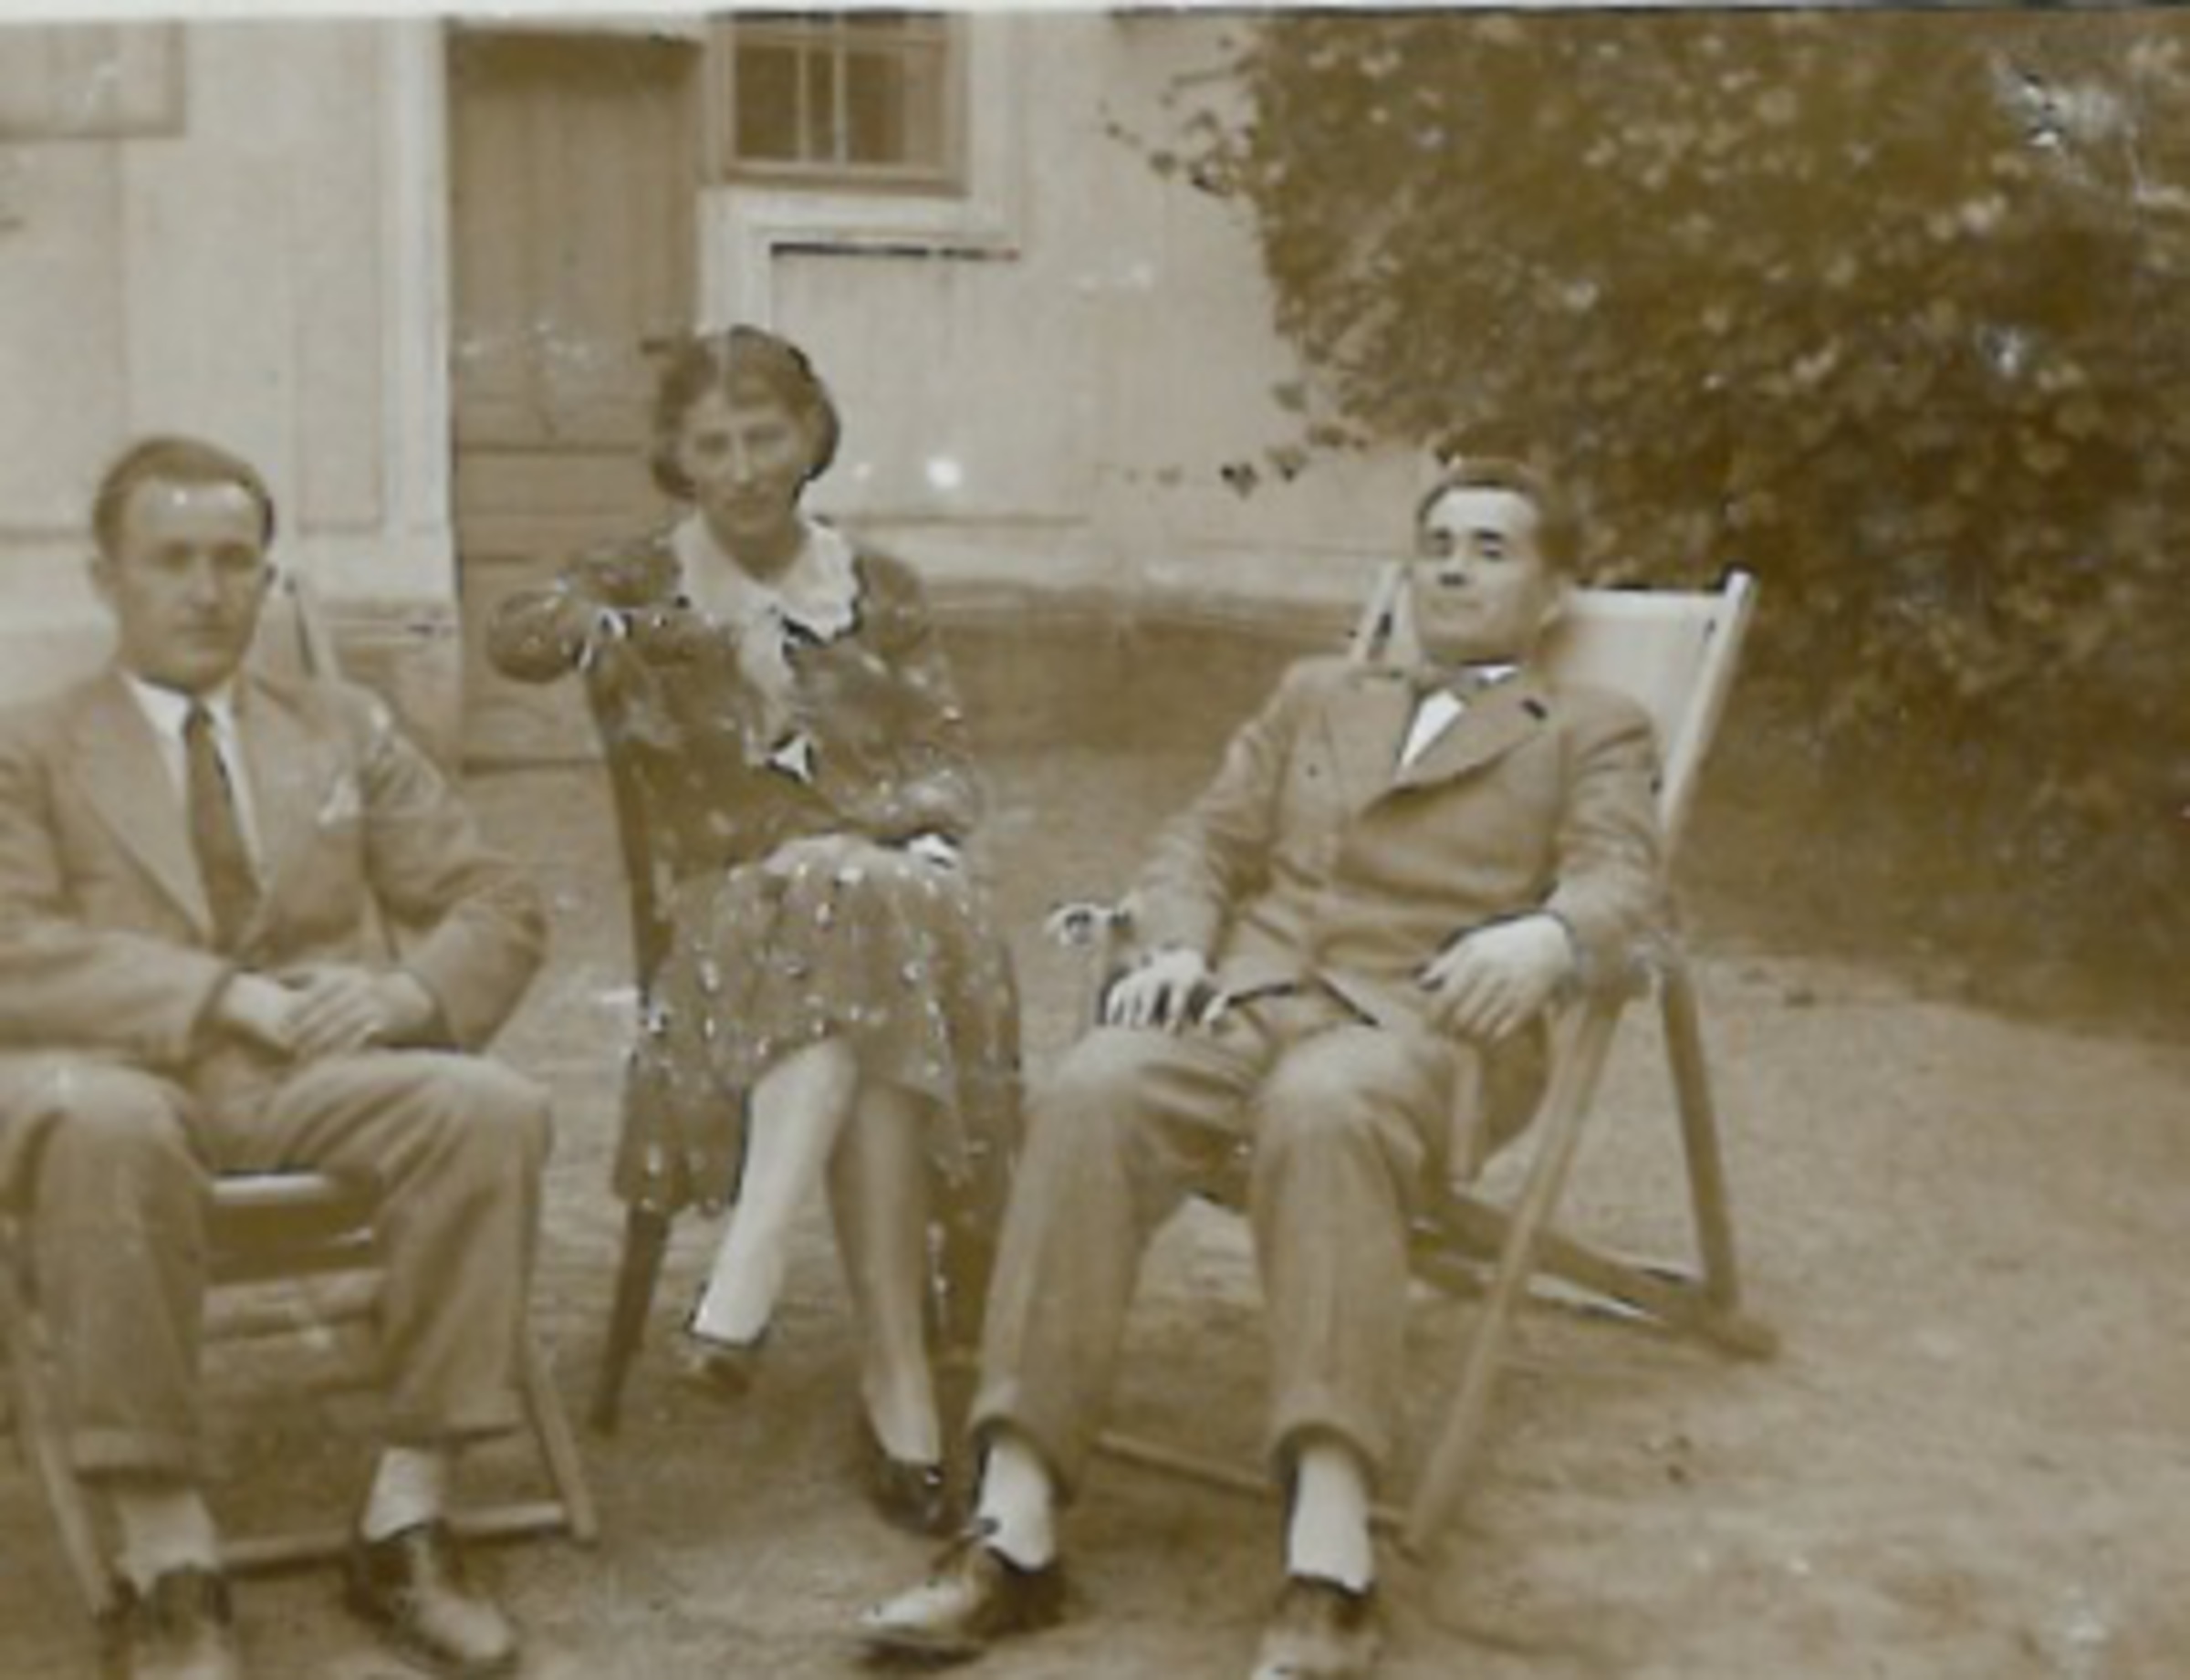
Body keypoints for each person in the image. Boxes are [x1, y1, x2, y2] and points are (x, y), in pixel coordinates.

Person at [858, 459, 1665, 1680]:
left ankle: (1329, 1560)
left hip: (1425, 1027)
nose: (1454, 568)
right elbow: (1205, 840)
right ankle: (1013, 1532)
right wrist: (1178, 945)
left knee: (1322, 1107)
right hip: (1247, 999)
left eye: (1492, 549)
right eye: (1439, 545)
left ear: (1553, 592)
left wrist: (1547, 937)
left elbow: (1624, 880)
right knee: (1094, 1085)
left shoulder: (1593, 727)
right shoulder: (1316, 693)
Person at [0, 436, 553, 1680]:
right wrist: (213, 996)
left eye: (233, 561)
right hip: (109, 1076)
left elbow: (496, 897)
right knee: (109, 1128)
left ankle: (405, 1520)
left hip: (303, 1080)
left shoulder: (339, 727)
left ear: (267, 576)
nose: (206, 592)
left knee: (490, 1108)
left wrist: (408, 992)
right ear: (105, 578)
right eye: (170, 561)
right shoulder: (28, 746)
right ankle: (168, 1557)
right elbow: (10, 946)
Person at [487, 326, 1018, 1535]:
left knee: (854, 903)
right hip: (728, 926)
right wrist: (602, 627)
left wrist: (872, 836)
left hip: (892, 903)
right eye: (713, 444)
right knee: (850, 941)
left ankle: (749, 1279)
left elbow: (947, 766)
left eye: (765, 436)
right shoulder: (644, 576)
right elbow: (517, 635)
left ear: (811, 433)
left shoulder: (881, 589)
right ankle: (895, 1383)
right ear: (676, 456)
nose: (742, 469)